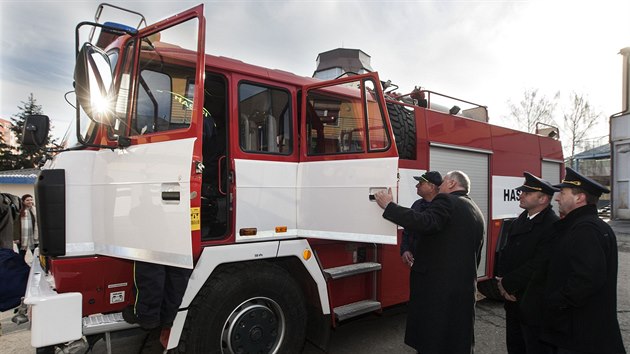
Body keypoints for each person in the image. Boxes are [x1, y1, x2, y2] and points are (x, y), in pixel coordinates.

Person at [375, 170, 485, 354]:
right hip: (461, 290)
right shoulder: (473, 208)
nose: (439, 186)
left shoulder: (447, 200)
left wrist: (389, 206)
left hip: (439, 290)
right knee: (454, 339)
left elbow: (426, 221)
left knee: (433, 338)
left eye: (442, 183)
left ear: (451, 184)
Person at [541, 167, 625, 354]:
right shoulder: (586, 225)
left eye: (563, 193)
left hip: (579, 333)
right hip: (580, 330)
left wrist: (556, 301)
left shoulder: (585, 230)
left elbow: (587, 279)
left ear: (579, 198)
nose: (557, 198)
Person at [495, 172, 559, 354]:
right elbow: (505, 253)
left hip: (532, 301)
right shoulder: (520, 220)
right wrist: (501, 283)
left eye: (527, 193)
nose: (521, 195)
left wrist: (508, 284)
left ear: (543, 199)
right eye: (522, 191)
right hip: (512, 299)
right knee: (515, 345)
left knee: (533, 347)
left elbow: (538, 265)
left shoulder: (551, 226)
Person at [400, 171, 442, 267]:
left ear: (431, 187)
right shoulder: (417, 205)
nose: (417, 186)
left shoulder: (441, 208)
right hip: (416, 263)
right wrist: (405, 250)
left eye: (421, 183)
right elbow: (407, 231)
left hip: (434, 266)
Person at [13, 194, 38, 259]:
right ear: (23, 202)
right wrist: (16, 238)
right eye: (27, 200)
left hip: (34, 237)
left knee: (36, 255)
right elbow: (16, 225)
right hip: (22, 238)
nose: (30, 201)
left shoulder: (36, 210)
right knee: (21, 255)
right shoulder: (19, 211)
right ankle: (21, 267)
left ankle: (37, 267)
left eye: (31, 200)